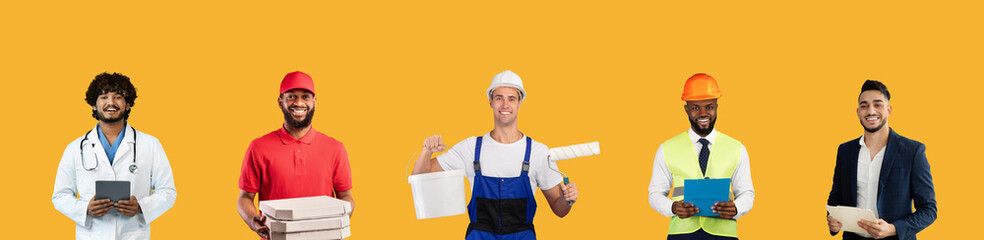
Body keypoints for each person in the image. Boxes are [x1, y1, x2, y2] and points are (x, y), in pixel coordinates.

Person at [411, 70, 578, 240]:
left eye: (511, 99)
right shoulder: (470, 148)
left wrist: (567, 200)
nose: (505, 104)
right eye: (499, 98)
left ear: (520, 102)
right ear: (490, 101)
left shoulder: (538, 152)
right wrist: (427, 150)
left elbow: (560, 210)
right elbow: (419, 176)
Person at [52, 72, 178, 239]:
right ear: (94, 105)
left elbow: (168, 191)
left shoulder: (150, 144)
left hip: (133, 235)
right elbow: (60, 196)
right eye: (103, 97)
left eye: (118, 97)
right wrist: (85, 209)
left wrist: (140, 207)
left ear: (127, 104)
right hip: (92, 235)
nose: (111, 102)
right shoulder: (75, 148)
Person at [237, 71, 355, 239]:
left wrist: (338, 221)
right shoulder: (258, 147)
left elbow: (346, 197)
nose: (299, 103)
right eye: (291, 96)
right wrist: (252, 220)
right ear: (280, 102)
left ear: (314, 101)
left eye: (305, 97)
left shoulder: (335, 148)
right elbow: (245, 198)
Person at [647, 73, 754, 240]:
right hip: (682, 234)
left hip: (723, 234)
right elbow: (655, 193)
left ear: (717, 107)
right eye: (696, 108)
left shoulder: (737, 148)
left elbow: (746, 192)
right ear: (687, 109)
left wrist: (737, 208)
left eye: (709, 107)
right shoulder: (666, 148)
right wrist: (673, 207)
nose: (703, 113)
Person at [825, 80, 937, 240]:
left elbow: (929, 210)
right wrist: (832, 220)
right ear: (858, 112)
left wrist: (893, 229)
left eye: (877, 105)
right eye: (864, 106)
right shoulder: (845, 151)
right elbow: (835, 198)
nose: (871, 111)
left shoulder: (913, 151)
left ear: (889, 110)